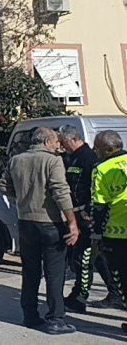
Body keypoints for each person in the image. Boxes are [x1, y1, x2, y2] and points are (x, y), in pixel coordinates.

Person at [5, 126, 79, 334]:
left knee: (30, 272)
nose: (58, 145)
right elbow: (60, 192)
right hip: (50, 222)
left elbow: (5, 186)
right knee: (54, 274)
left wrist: (24, 198)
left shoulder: (16, 160)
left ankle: (29, 315)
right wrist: (72, 222)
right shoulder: (52, 160)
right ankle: (56, 318)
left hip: (26, 221)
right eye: (56, 141)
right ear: (46, 141)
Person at [60, 126, 122, 312]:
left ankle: (79, 296)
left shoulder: (89, 158)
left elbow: (96, 191)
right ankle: (115, 293)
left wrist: (90, 215)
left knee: (84, 258)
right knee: (96, 259)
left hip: (89, 216)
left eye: (63, 142)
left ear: (71, 139)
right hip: (81, 215)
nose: (62, 147)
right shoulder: (73, 157)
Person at [90, 131, 127, 331]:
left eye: (97, 148)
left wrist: (96, 236)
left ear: (108, 149)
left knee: (122, 280)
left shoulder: (102, 169)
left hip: (117, 235)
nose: (95, 151)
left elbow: (99, 206)